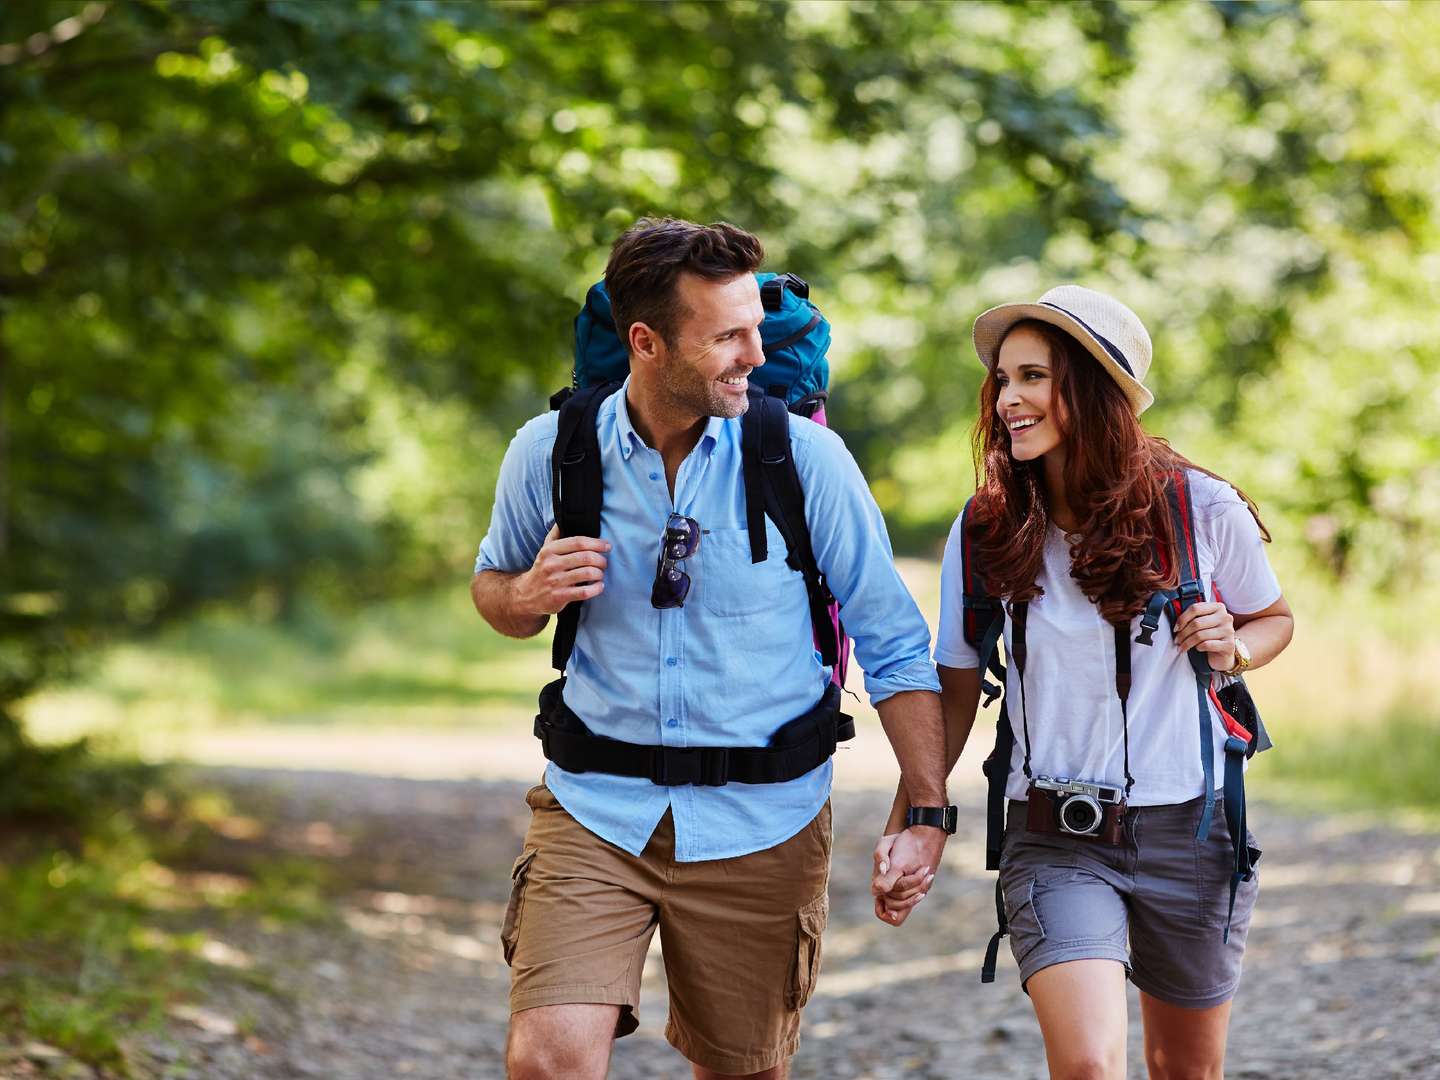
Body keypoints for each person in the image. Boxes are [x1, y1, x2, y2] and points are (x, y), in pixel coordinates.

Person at [471, 218, 952, 1080]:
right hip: (595, 811)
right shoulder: (550, 452)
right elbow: (493, 591)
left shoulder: (805, 460)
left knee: (743, 1073)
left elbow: (894, 642)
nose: (753, 355)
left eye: (757, 330)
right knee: (546, 1060)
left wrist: (924, 810)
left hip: (763, 822)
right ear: (646, 343)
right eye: (727, 336)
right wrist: (527, 594)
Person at [874, 285, 1294, 1079]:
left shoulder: (1200, 507)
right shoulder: (989, 524)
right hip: (1055, 834)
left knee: (1185, 1071)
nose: (1008, 400)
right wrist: (917, 819)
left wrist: (1234, 644)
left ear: (1093, 390)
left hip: (1193, 834)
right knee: (1090, 1064)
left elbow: (1275, 618)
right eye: (1003, 379)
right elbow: (956, 683)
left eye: (1033, 377)